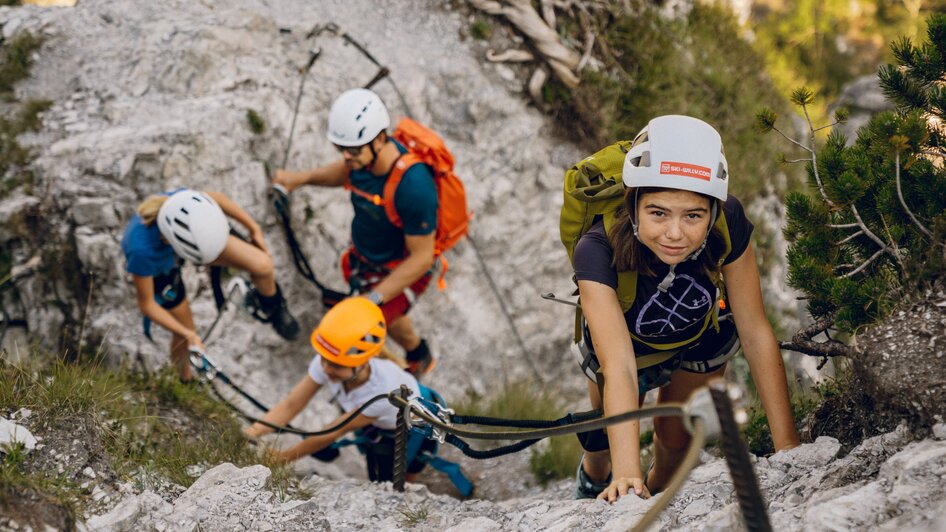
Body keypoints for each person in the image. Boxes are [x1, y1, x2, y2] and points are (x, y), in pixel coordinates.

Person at [571, 115, 800, 502]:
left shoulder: (729, 222)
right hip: (625, 344)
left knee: (675, 439)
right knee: (601, 434)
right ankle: (595, 473)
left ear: (713, 211)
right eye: (658, 213)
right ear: (634, 206)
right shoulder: (596, 249)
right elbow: (621, 366)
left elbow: (755, 330)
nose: (675, 234)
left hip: (699, 337)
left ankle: (658, 488)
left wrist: (788, 446)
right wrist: (625, 475)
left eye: (693, 215)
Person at [272, 88, 438, 377]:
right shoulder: (363, 159)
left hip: (400, 268)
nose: (346, 157)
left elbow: (423, 257)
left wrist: (371, 299)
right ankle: (418, 352)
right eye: (341, 149)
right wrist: (301, 179)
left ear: (380, 139)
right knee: (390, 315)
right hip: (364, 259)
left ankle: (378, 384)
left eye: (353, 151)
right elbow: (345, 172)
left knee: (361, 329)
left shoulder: (414, 187)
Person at [243, 297, 435, 482]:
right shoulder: (332, 358)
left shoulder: (382, 393)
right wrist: (251, 433)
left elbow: (332, 432)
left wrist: (281, 458)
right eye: (324, 360)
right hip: (381, 424)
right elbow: (291, 404)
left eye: (336, 366)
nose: (326, 369)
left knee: (394, 486)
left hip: (417, 430)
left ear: (362, 362)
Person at [122, 189, 300, 381]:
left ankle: (272, 306)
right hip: (162, 268)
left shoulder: (186, 202)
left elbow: (215, 197)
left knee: (262, 265)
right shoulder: (141, 252)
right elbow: (147, 304)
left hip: (198, 238)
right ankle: (184, 379)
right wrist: (188, 334)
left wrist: (253, 227)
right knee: (183, 331)